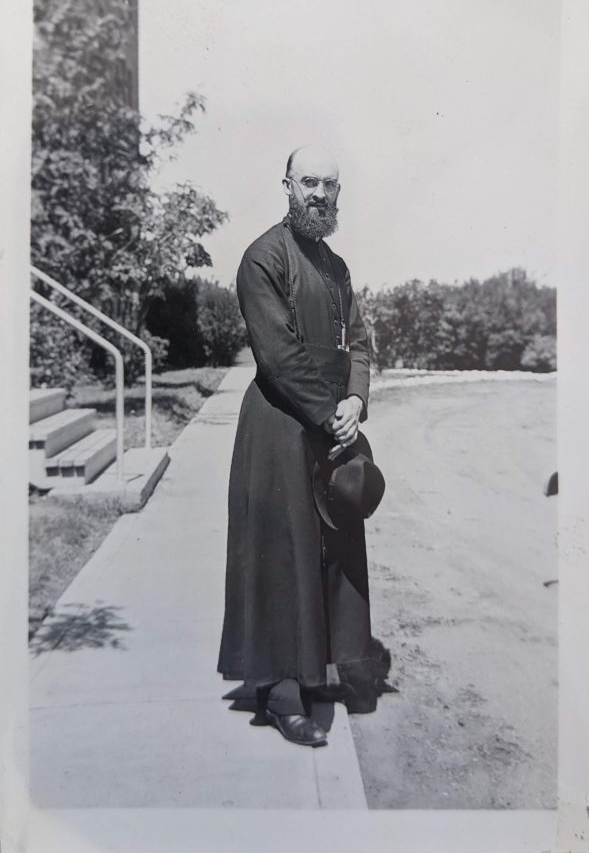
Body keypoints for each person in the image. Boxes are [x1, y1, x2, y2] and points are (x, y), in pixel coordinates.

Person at [217, 144, 379, 748]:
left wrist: (355, 403)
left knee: (331, 550)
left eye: (329, 185)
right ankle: (282, 692)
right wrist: (328, 414)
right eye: (308, 181)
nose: (319, 193)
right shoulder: (263, 257)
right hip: (282, 427)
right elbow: (278, 355)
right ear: (286, 184)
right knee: (284, 555)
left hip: (332, 425)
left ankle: (322, 670)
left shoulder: (335, 266)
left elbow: (359, 342)